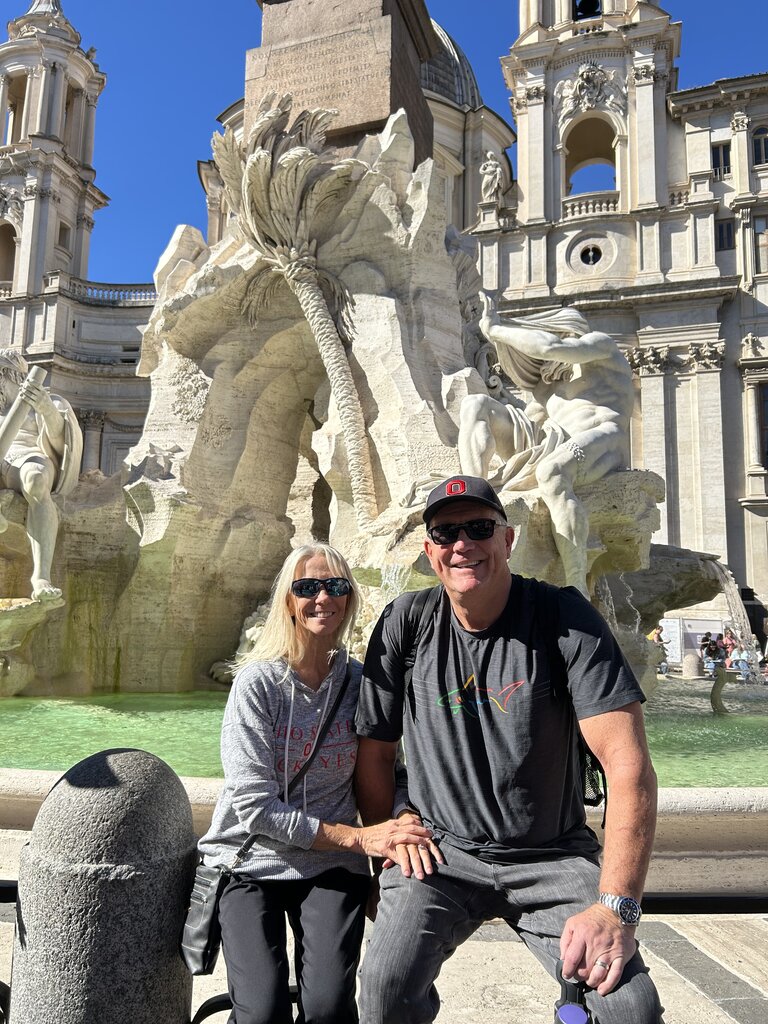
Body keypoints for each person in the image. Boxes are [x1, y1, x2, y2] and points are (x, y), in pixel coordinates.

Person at [355, 475, 663, 1024]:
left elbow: (627, 766)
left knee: (628, 1010)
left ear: (508, 538)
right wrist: (387, 840)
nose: (462, 544)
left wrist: (617, 910)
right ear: (429, 550)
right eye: (446, 533)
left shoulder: (563, 616)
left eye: (479, 528)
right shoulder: (407, 621)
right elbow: (375, 752)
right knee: (382, 990)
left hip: (552, 856)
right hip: (439, 853)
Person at [198, 543, 437, 1024]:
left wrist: (403, 817)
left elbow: (391, 769)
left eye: (335, 586)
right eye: (307, 587)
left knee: (328, 1008)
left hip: (331, 866)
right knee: (261, 1013)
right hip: (251, 860)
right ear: (289, 600)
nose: (322, 597)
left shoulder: (362, 684)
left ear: (349, 598)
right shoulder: (257, 684)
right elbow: (254, 808)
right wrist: (361, 838)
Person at [459, 294, 633, 597]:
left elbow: (551, 348)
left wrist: (496, 330)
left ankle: (576, 584)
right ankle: (473, 497)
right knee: (476, 405)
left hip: (605, 437)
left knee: (551, 471)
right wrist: (500, 397)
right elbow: (529, 421)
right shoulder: (546, 388)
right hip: (557, 441)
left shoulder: (600, 346)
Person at [0, 349, 82, 601]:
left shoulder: (44, 401)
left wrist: (46, 410)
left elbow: (62, 443)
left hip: (29, 457)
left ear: (8, 375)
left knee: (36, 479)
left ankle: (41, 576)